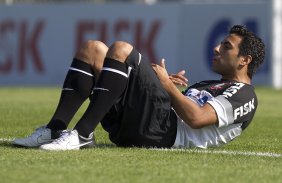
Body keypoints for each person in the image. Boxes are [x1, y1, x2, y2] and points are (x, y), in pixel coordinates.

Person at [13, 25, 265, 150]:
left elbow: (197, 118)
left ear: (245, 60)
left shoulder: (245, 95)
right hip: (148, 124)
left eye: (227, 47)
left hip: (164, 134)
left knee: (122, 49)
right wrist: (167, 86)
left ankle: (81, 135)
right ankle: (55, 129)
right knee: (92, 49)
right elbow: (181, 103)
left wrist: (165, 85)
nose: (217, 48)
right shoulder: (211, 84)